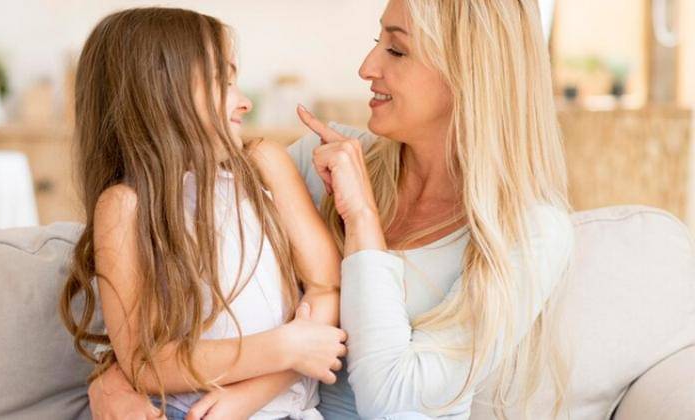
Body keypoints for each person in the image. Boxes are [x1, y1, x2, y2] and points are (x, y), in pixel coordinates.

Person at [90, 0, 575, 418]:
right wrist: (113, 379)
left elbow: (391, 397)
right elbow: (171, 281)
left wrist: (362, 220)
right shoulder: (320, 159)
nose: (366, 67)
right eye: (377, 42)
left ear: (469, 73)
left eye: (396, 50)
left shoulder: (529, 231)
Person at [58, 8, 348, 420]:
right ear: (162, 93)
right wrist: (283, 348)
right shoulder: (125, 206)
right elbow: (145, 362)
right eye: (223, 82)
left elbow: (327, 287)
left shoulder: (264, 164)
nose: (244, 101)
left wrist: (253, 393)